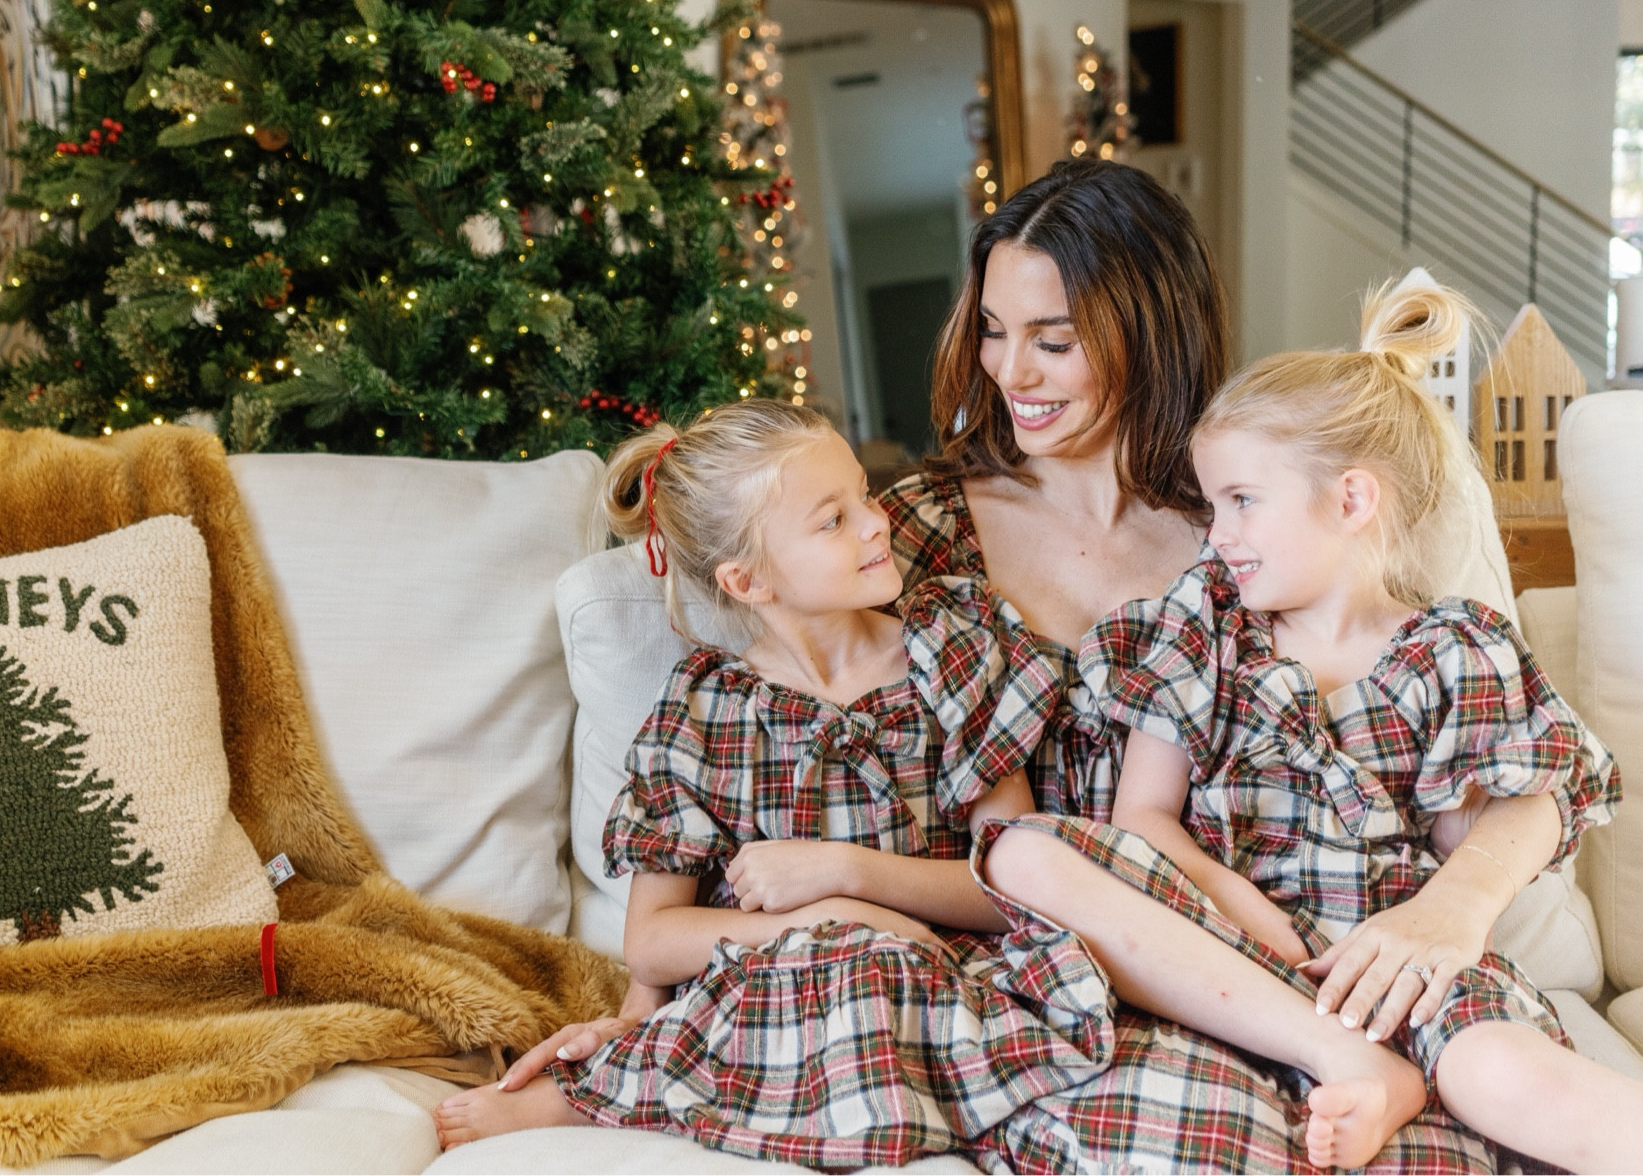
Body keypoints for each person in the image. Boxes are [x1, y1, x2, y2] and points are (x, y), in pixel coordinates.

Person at [471, 160, 1496, 1169]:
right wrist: (642, 1019)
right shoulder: (905, 542)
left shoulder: (1249, 528)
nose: (1009, 373)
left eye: (1051, 340)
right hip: (1020, 965)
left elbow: (1440, 690)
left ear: (1146, 333)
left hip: (1239, 940)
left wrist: (1453, 902)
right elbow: (764, 723)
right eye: (994, 333)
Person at [435, 400, 1121, 1167]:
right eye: (833, 520)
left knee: (888, 977)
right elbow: (655, 941)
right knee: (845, 964)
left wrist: (848, 873)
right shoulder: (704, 712)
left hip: (947, 971)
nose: (874, 522)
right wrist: (833, 917)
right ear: (748, 580)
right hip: (784, 983)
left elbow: (1022, 885)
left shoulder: (952, 649)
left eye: (863, 493)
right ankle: (607, 1096)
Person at [1053, 280, 1634, 1172]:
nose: (1217, 537)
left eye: (1242, 501)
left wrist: (1448, 908)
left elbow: (1488, 822)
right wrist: (1240, 903)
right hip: (1226, 962)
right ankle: (1363, 1085)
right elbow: (1141, 819)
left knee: (1501, 1068)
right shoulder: (1205, 630)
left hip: (1388, 961)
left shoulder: (1449, 647)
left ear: (1352, 500)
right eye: (1213, 507)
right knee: (1172, 1097)